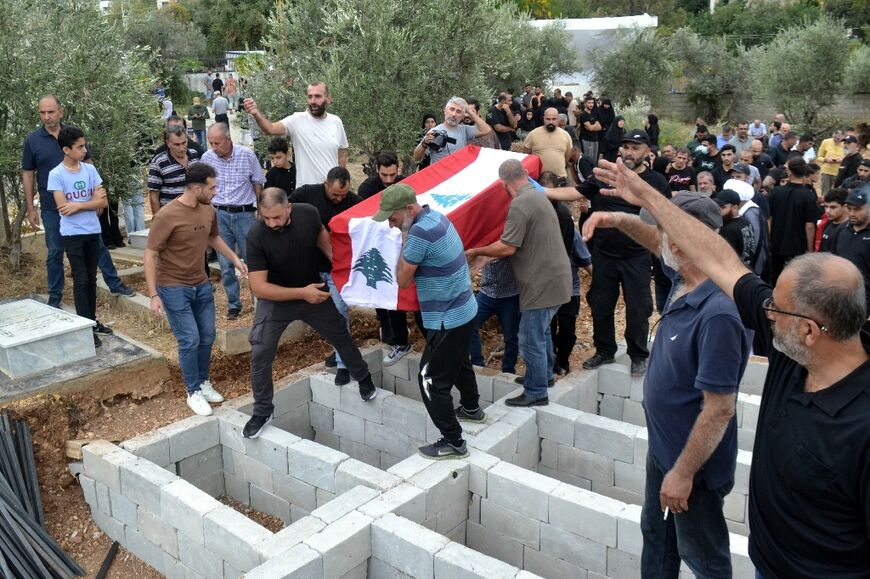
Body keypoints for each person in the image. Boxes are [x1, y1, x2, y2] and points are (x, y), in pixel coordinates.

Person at [590, 157, 869, 579]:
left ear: (811, 331)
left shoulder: (859, 427)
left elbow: (718, 407)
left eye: (776, 310)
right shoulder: (796, 354)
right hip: (766, 561)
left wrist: (684, 471)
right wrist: (644, 194)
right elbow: (722, 262)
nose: (765, 315)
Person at [582, 189, 750, 579]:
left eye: (665, 229)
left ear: (687, 239)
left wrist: (683, 474)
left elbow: (720, 408)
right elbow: (655, 242)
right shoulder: (688, 276)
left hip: (693, 467)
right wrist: (617, 220)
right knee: (657, 536)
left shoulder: (719, 313)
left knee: (703, 556)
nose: (659, 239)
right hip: (665, 450)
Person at [245, 187, 378, 438]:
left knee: (340, 333)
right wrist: (301, 293)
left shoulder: (309, 214)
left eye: (277, 217)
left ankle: (364, 378)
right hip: (277, 298)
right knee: (260, 351)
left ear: (289, 208)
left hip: (313, 290)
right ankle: (262, 411)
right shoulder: (256, 236)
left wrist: (343, 273)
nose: (272, 223)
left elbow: (324, 242)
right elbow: (259, 288)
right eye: (266, 218)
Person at [544, 129, 671, 377]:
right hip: (604, 255)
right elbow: (576, 192)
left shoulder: (656, 182)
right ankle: (604, 350)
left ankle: (638, 355)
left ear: (647, 151)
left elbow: (666, 217)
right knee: (601, 304)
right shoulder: (604, 175)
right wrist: (540, 190)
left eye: (636, 147)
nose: (630, 151)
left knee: (638, 308)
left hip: (638, 256)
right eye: (626, 147)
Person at [374, 183, 484, 459]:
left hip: (447, 318)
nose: (391, 224)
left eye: (393, 218)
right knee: (459, 362)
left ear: (409, 209)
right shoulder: (437, 216)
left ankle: (453, 441)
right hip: (464, 309)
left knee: (430, 379)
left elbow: (402, 280)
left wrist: (404, 241)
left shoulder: (418, 234)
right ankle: (472, 408)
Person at [467, 160, 573, 405]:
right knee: (543, 331)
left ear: (504, 184)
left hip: (541, 284)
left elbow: (507, 246)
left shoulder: (520, 203)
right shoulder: (538, 196)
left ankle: (536, 392)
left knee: (530, 337)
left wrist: (477, 251)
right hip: (557, 279)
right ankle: (543, 376)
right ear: (525, 175)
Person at [145, 164, 246, 416]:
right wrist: (154, 295)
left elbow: (213, 238)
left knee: (208, 336)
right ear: (197, 187)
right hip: (173, 287)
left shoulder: (208, 209)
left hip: (201, 284)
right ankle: (193, 391)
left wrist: (234, 258)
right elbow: (150, 254)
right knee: (189, 339)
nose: (216, 191)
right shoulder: (166, 216)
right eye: (212, 187)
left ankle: (202, 381)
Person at [22, 95, 134, 308]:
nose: (47, 117)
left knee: (98, 245)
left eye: (51, 112)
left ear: (60, 112)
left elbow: (88, 162)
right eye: (42, 113)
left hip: (82, 205)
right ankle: (55, 297)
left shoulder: (73, 137)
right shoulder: (33, 140)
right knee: (55, 251)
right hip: (52, 208)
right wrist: (30, 207)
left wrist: (96, 196)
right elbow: (28, 174)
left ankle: (114, 282)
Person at [289, 167, 361, 383]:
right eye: (335, 194)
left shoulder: (355, 201)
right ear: (326, 184)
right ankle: (338, 349)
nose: (339, 199)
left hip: (335, 268)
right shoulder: (306, 194)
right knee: (322, 315)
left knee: (339, 311)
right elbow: (286, 209)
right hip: (309, 268)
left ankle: (343, 362)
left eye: (343, 195)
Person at [48, 126, 115, 347]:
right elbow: (62, 208)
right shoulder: (56, 174)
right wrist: (90, 203)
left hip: (92, 231)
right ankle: (85, 327)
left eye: (84, 145)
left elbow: (103, 202)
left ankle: (92, 321)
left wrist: (79, 205)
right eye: (80, 147)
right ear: (66, 149)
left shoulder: (89, 170)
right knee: (81, 279)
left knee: (92, 279)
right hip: (72, 234)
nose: (84, 150)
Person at [200, 122, 265, 320]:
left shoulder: (246, 155)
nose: (214, 147)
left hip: (245, 214)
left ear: (228, 140)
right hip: (219, 215)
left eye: (217, 143)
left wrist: (260, 211)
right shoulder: (207, 158)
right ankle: (234, 304)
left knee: (252, 260)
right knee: (225, 263)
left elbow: (257, 182)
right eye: (211, 142)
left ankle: (259, 301)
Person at [244, 81, 349, 186]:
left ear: (328, 98)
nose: (313, 101)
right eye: (310, 96)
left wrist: (343, 184)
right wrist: (256, 113)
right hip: (306, 193)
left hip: (332, 192)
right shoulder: (297, 120)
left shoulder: (336, 121)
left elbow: (340, 157)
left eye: (317, 96)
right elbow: (270, 129)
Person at [768, 158, 820, 284]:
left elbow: (769, 219)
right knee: (795, 280)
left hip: (777, 243)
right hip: (798, 246)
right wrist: (810, 248)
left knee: (776, 278)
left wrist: (769, 239)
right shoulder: (808, 195)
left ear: (789, 172)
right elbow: (809, 225)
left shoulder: (776, 192)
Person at [468, 257, 520, 375]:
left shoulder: (509, 240)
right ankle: (477, 364)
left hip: (509, 296)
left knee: (511, 337)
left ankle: (508, 370)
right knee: (469, 324)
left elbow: (508, 250)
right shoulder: (484, 240)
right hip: (486, 294)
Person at [411, 96, 492, 166]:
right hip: (440, 178)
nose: (454, 114)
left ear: (463, 116)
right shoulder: (435, 131)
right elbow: (416, 158)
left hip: (457, 176)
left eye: (458, 111)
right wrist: (424, 143)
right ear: (445, 111)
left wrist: (469, 111)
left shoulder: (464, 129)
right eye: (452, 109)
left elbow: (486, 129)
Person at [830, 186, 870, 317]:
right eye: (849, 208)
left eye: (857, 209)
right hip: (841, 299)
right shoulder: (841, 230)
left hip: (865, 302)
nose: (852, 213)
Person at [147, 125, 202, 215]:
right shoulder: (159, 162)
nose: (181, 148)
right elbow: (154, 196)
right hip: (171, 216)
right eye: (177, 144)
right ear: (168, 144)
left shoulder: (195, 155)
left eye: (184, 143)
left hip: (194, 213)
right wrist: (157, 220)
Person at [521, 108, 573, 185]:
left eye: (554, 119)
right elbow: (526, 155)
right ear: (543, 119)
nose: (551, 122)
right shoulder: (533, 134)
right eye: (548, 119)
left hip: (560, 179)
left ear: (558, 119)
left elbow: (567, 156)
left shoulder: (566, 135)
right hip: (538, 180)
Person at [712, 188, 757, 267]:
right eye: (717, 206)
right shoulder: (746, 222)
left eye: (722, 207)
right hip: (747, 269)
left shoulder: (728, 230)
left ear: (735, 208)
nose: (718, 211)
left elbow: (724, 259)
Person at [817, 187, 849, 252]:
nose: (828, 211)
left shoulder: (849, 229)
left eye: (833, 207)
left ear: (845, 206)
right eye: (826, 207)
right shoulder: (828, 223)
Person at [816, 128, 846, 195]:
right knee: (825, 193)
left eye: (838, 139)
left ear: (843, 137)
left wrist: (842, 160)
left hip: (840, 172)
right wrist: (825, 160)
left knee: (837, 193)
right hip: (826, 171)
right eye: (834, 137)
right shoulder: (826, 142)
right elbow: (819, 157)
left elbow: (849, 158)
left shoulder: (846, 144)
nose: (836, 139)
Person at [577, 96, 602, 160]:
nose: (591, 105)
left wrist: (592, 127)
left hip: (595, 139)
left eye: (592, 103)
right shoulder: (583, 115)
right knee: (588, 159)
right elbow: (590, 128)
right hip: (587, 140)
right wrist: (594, 126)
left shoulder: (593, 114)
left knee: (595, 159)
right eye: (589, 103)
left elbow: (600, 127)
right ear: (585, 104)